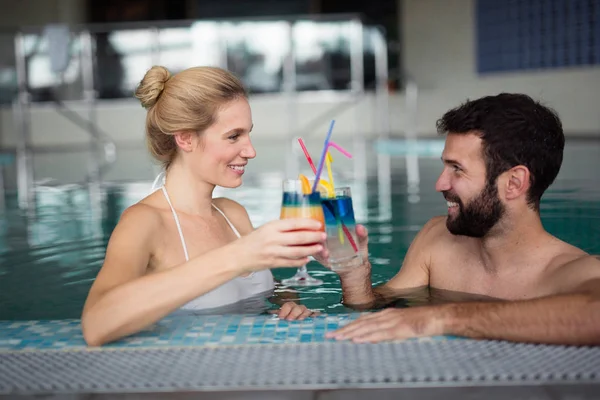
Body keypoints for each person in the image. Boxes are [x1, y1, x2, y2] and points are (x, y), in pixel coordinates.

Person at [324, 93, 600, 346]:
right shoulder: (437, 239)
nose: (440, 183)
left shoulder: (573, 272)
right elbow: (372, 311)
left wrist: (443, 318)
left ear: (514, 183)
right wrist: (354, 274)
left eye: (457, 169)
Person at [81, 66, 327, 346]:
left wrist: (287, 304)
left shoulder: (233, 213)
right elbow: (96, 324)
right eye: (234, 136)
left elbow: (268, 288)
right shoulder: (143, 223)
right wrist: (237, 256)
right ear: (185, 137)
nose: (251, 151)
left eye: (248, 134)